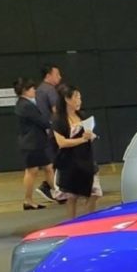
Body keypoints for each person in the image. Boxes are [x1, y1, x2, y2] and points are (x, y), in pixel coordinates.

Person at [51, 84, 100, 219]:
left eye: (80, 97)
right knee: (72, 197)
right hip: (69, 163)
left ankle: (89, 220)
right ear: (67, 99)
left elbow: (90, 135)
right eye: (76, 97)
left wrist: (91, 136)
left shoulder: (81, 115)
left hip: (86, 160)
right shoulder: (58, 120)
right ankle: (72, 224)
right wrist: (82, 140)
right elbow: (62, 143)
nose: (79, 101)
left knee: (94, 193)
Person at [14, 78, 51, 210]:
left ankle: (58, 193)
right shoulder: (26, 105)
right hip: (31, 143)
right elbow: (41, 121)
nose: (34, 91)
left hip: (35, 142)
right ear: (25, 90)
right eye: (32, 89)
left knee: (48, 167)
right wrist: (51, 124)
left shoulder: (23, 103)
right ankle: (28, 200)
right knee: (32, 171)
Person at [35, 63, 62, 201]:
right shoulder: (50, 90)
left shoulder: (38, 90)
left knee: (51, 161)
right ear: (48, 75)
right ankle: (52, 187)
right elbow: (56, 111)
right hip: (53, 131)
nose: (60, 77)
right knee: (57, 160)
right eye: (57, 74)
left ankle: (52, 186)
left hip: (42, 131)